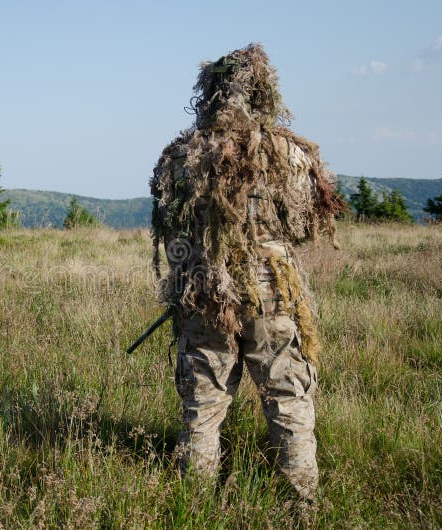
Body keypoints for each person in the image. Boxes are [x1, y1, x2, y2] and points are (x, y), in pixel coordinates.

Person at [149, 43, 344, 500]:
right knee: (288, 398)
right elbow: (302, 226)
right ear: (261, 91)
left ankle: (193, 504)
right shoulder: (288, 153)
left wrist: (187, 279)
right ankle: (301, 504)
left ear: (210, 92)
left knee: (203, 403)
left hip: (206, 291)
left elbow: (172, 231)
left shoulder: (181, 157)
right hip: (271, 291)